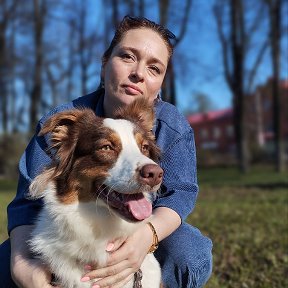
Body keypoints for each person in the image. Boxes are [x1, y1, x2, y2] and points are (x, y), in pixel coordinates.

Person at [0, 15, 212, 288]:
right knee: (5, 264)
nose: (138, 73)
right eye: (127, 56)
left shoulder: (171, 124)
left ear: (160, 83)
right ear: (104, 64)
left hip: (148, 226)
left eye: (154, 68)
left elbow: (180, 193)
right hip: (68, 232)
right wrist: (22, 268)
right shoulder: (65, 121)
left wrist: (146, 238)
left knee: (189, 252)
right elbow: (26, 202)